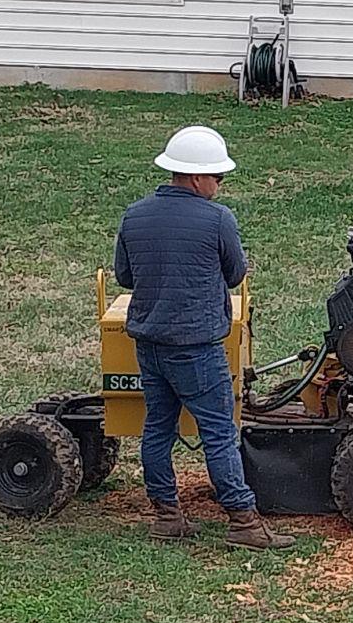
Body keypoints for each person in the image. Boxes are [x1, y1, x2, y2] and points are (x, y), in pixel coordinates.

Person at [114, 126, 293, 549]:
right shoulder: (218, 219)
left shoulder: (135, 215)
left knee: (157, 427)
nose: (220, 184)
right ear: (196, 178)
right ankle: (244, 523)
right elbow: (235, 274)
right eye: (218, 177)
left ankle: (166, 516)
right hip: (196, 346)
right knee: (218, 432)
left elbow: (125, 277)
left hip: (150, 343)